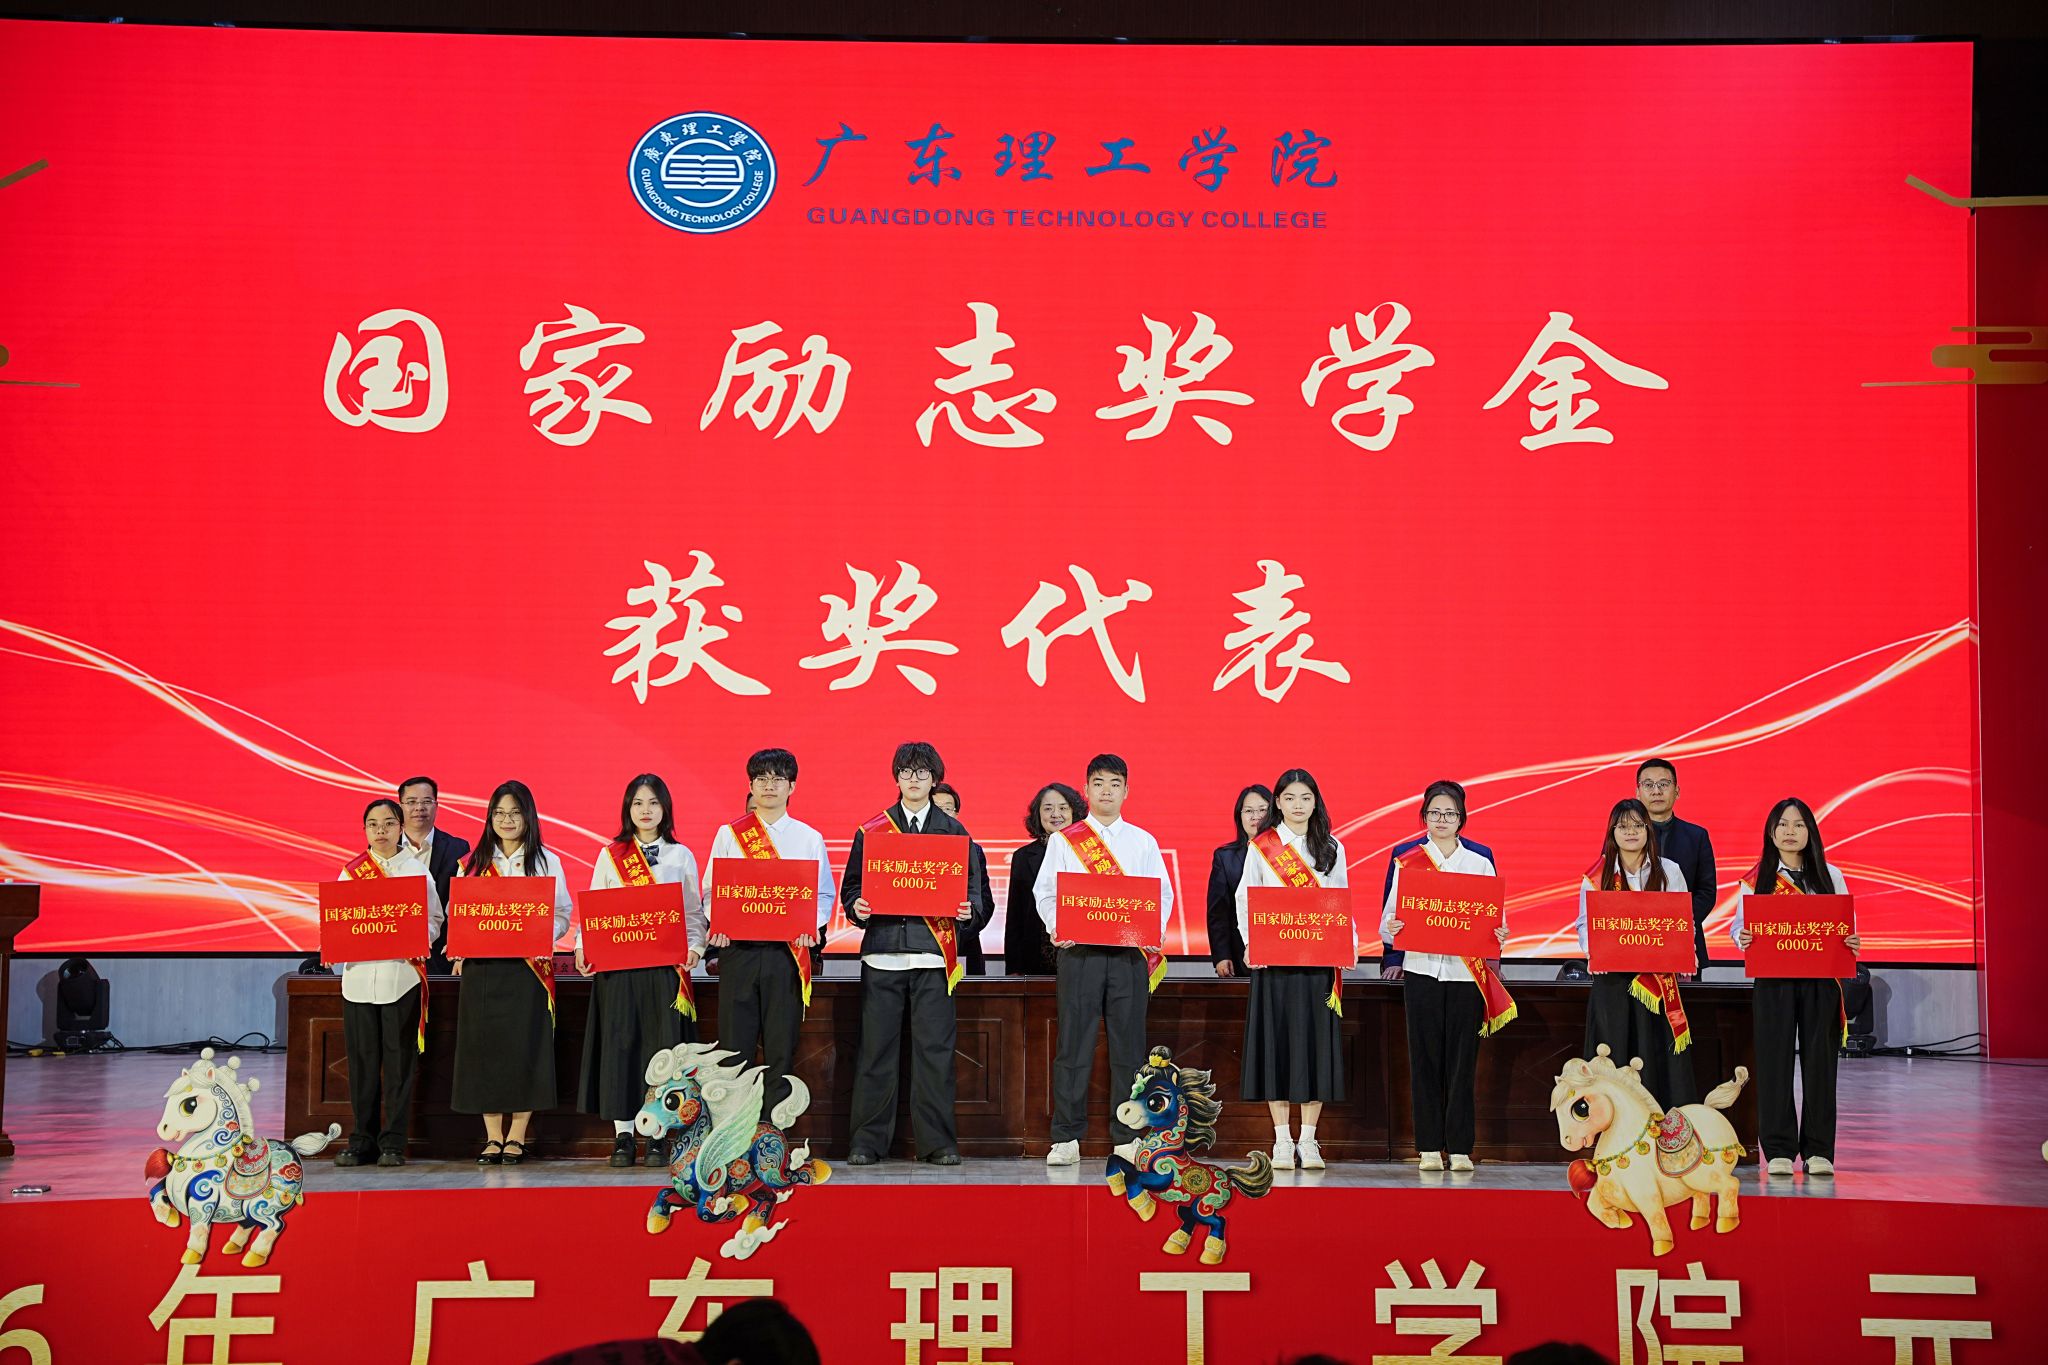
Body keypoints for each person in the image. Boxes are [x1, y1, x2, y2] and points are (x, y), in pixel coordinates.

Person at [842, 742, 986, 1164]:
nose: (914, 779)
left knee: (934, 1055)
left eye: (923, 772)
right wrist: (857, 907)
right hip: (882, 955)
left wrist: (969, 913)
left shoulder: (955, 832)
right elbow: (852, 888)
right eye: (906, 772)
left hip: (932, 959)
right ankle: (866, 1142)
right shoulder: (872, 830)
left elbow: (976, 896)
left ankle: (938, 1142)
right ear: (896, 777)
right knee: (875, 1053)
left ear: (935, 779)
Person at [1033, 754, 1173, 1165]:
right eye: (1098, 783)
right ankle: (1066, 1138)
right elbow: (1047, 893)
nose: (1106, 791)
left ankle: (1127, 1135)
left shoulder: (1143, 842)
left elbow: (1162, 894)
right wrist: (1057, 925)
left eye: (1114, 784)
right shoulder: (1065, 840)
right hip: (1080, 955)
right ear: (1087, 790)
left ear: (1126, 791)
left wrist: (1150, 931)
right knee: (1072, 1046)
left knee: (1129, 1049)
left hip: (1129, 956)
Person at [1379, 780, 1513, 1172]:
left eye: (1450, 813)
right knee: (1424, 1060)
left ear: (1461, 819)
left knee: (1462, 1061)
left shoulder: (1479, 861)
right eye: (1435, 813)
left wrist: (1499, 933)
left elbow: (1495, 919)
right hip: (1421, 971)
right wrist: (1395, 927)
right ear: (1424, 817)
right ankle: (1427, 1146)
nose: (1442, 819)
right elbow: (1387, 924)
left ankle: (1459, 1147)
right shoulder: (1408, 860)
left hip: (1465, 975)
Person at [577, 774, 704, 1167]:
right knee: (621, 1049)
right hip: (619, 970)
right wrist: (583, 948)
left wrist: (696, 948)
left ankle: (658, 1135)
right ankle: (624, 1135)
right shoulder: (610, 855)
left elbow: (693, 913)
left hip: (664, 972)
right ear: (627, 809)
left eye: (653, 802)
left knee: (661, 1052)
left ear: (665, 808)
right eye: (637, 803)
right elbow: (594, 910)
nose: (645, 810)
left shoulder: (680, 855)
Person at [1732, 797, 1859, 1176]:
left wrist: (1852, 941)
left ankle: (1819, 1151)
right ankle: (1779, 1150)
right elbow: (1739, 927)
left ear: (1810, 832)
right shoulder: (1757, 879)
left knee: (1821, 1064)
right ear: (1771, 833)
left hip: (1821, 981)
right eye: (1783, 824)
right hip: (1774, 982)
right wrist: (1742, 937)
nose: (1790, 831)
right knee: (1774, 1063)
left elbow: (1845, 927)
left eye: (1799, 824)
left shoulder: (1831, 875)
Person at [703, 748, 835, 1112]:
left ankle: (772, 1130)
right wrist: (720, 922)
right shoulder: (729, 834)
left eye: (778, 778)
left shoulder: (808, 837)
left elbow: (824, 894)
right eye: (761, 778)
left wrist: (810, 925)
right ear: (750, 785)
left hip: (785, 955)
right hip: (739, 953)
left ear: (792, 786)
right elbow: (712, 890)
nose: (769, 785)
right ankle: (732, 1128)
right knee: (734, 1049)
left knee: (781, 1047)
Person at [450, 780, 573, 1165]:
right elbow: (458, 914)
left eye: (515, 813)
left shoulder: (547, 861)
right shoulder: (472, 864)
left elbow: (562, 914)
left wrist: (540, 934)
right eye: (499, 813)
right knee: (484, 1051)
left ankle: (517, 1136)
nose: (506, 820)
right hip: (483, 971)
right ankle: (492, 1137)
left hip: (527, 971)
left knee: (525, 1050)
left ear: (528, 817)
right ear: (490, 818)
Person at [1235, 770, 1346, 1170]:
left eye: (1306, 797)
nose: (1298, 805)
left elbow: (1340, 898)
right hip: (1274, 962)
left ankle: (1309, 1140)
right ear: (1278, 803)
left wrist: (1344, 945)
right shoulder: (1262, 846)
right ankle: (1282, 1139)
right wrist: (1251, 942)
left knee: (1315, 1048)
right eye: (1290, 798)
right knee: (1276, 1047)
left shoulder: (1332, 846)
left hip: (1317, 962)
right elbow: (1245, 897)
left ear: (1316, 802)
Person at [334, 798, 446, 1167]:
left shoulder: (416, 871)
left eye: (388, 823)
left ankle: (394, 1143)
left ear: (400, 827)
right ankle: (361, 1140)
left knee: (399, 1064)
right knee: (362, 1065)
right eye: (373, 824)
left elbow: (434, 920)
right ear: (364, 829)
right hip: (358, 981)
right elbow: (338, 921)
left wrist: (415, 939)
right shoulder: (352, 873)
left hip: (401, 978)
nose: (380, 831)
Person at [1577, 798, 1695, 1109]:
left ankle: (1661, 1125)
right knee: (1612, 1052)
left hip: (1655, 981)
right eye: (1623, 826)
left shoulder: (1669, 871)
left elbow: (1684, 920)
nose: (1631, 832)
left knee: (1654, 1054)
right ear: (1612, 832)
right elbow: (1584, 924)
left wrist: (1686, 952)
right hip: (1612, 981)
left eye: (1638, 826)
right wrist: (1595, 951)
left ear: (1648, 830)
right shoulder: (1597, 876)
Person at [1635, 758, 1718, 973]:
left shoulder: (1696, 836)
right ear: (1638, 793)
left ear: (1677, 791)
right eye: (1648, 785)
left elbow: (1706, 892)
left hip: (1684, 941)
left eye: (1664, 784)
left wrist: (1676, 923)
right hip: (1633, 941)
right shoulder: (1624, 836)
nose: (1656, 791)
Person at [1004, 783, 1081, 975]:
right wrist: (1014, 966)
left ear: (1074, 813)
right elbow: (1015, 915)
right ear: (1037, 814)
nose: (1056, 814)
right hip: (1034, 956)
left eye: (1063, 808)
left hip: (1081, 956)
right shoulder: (1023, 856)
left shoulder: (1088, 855)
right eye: (1048, 808)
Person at [398, 775, 470, 975]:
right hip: (395, 958)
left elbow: (464, 903)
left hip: (441, 957)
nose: (419, 808)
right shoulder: (384, 848)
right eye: (411, 802)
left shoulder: (458, 848)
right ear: (400, 806)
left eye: (426, 801)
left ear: (436, 806)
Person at [929, 781, 996, 974]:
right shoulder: (909, 849)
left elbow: (985, 903)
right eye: (936, 808)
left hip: (963, 945)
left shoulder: (972, 850)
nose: (942, 814)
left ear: (956, 814)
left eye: (947, 809)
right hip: (920, 946)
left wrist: (964, 926)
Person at [1208, 785, 1272, 978]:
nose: (1255, 817)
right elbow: (1218, 912)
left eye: (1262, 810)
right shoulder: (1225, 857)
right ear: (1240, 816)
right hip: (1241, 954)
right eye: (1249, 811)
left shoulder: (1290, 857)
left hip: (1284, 947)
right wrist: (1221, 955)